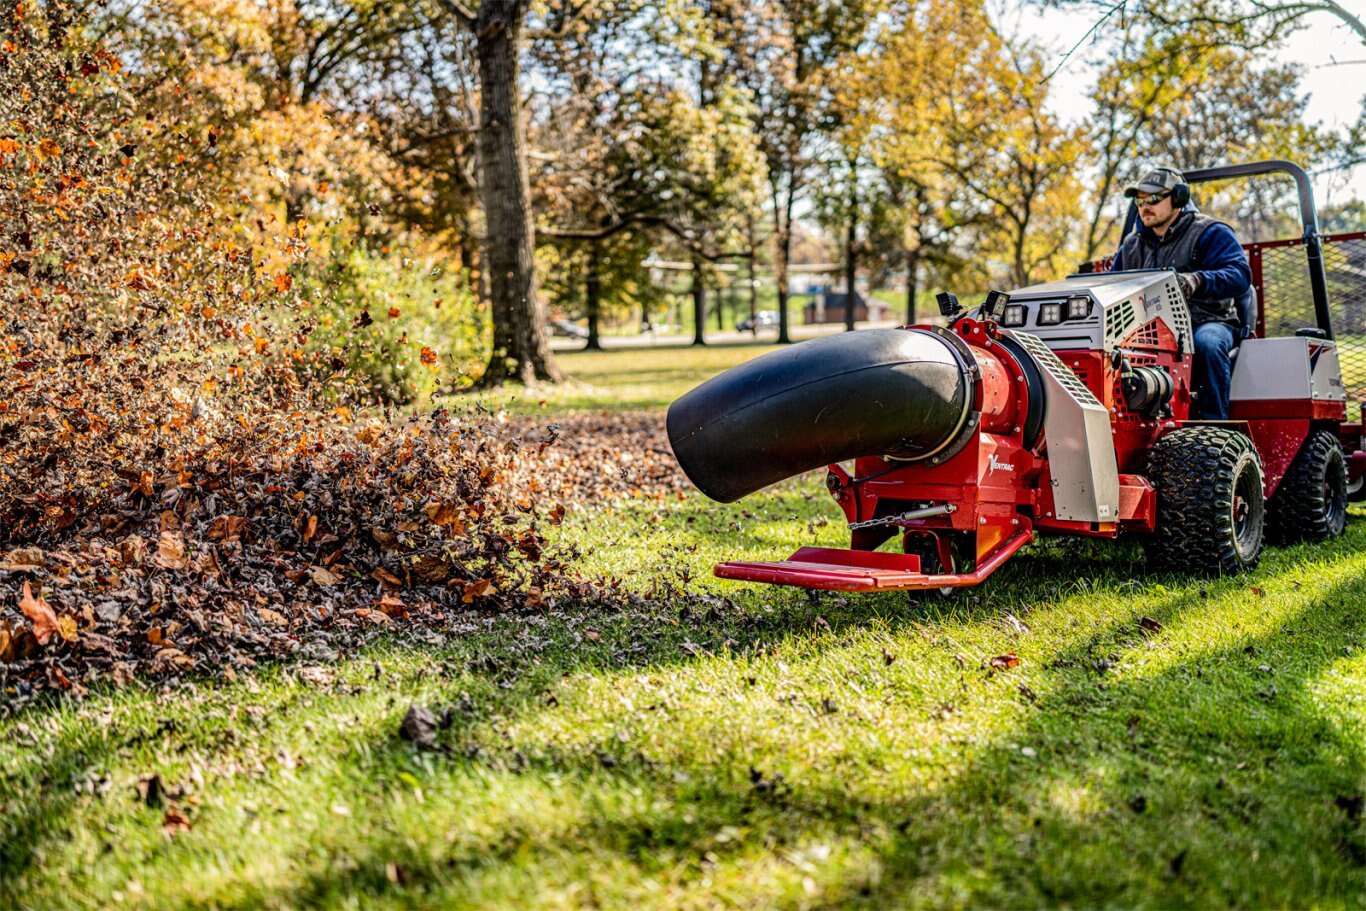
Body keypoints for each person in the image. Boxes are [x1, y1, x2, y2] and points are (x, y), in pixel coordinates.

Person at [1110, 167, 1252, 420]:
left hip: (1206, 321)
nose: (1145, 206)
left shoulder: (1211, 232)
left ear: (1178, 198)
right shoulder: (1131, 246)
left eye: (1153, 199)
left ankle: (1214, 427)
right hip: (1146, 330)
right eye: (1139, 200)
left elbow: (1240, 275)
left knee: (1208, 345)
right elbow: (1110, 284)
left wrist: (1197, 280)